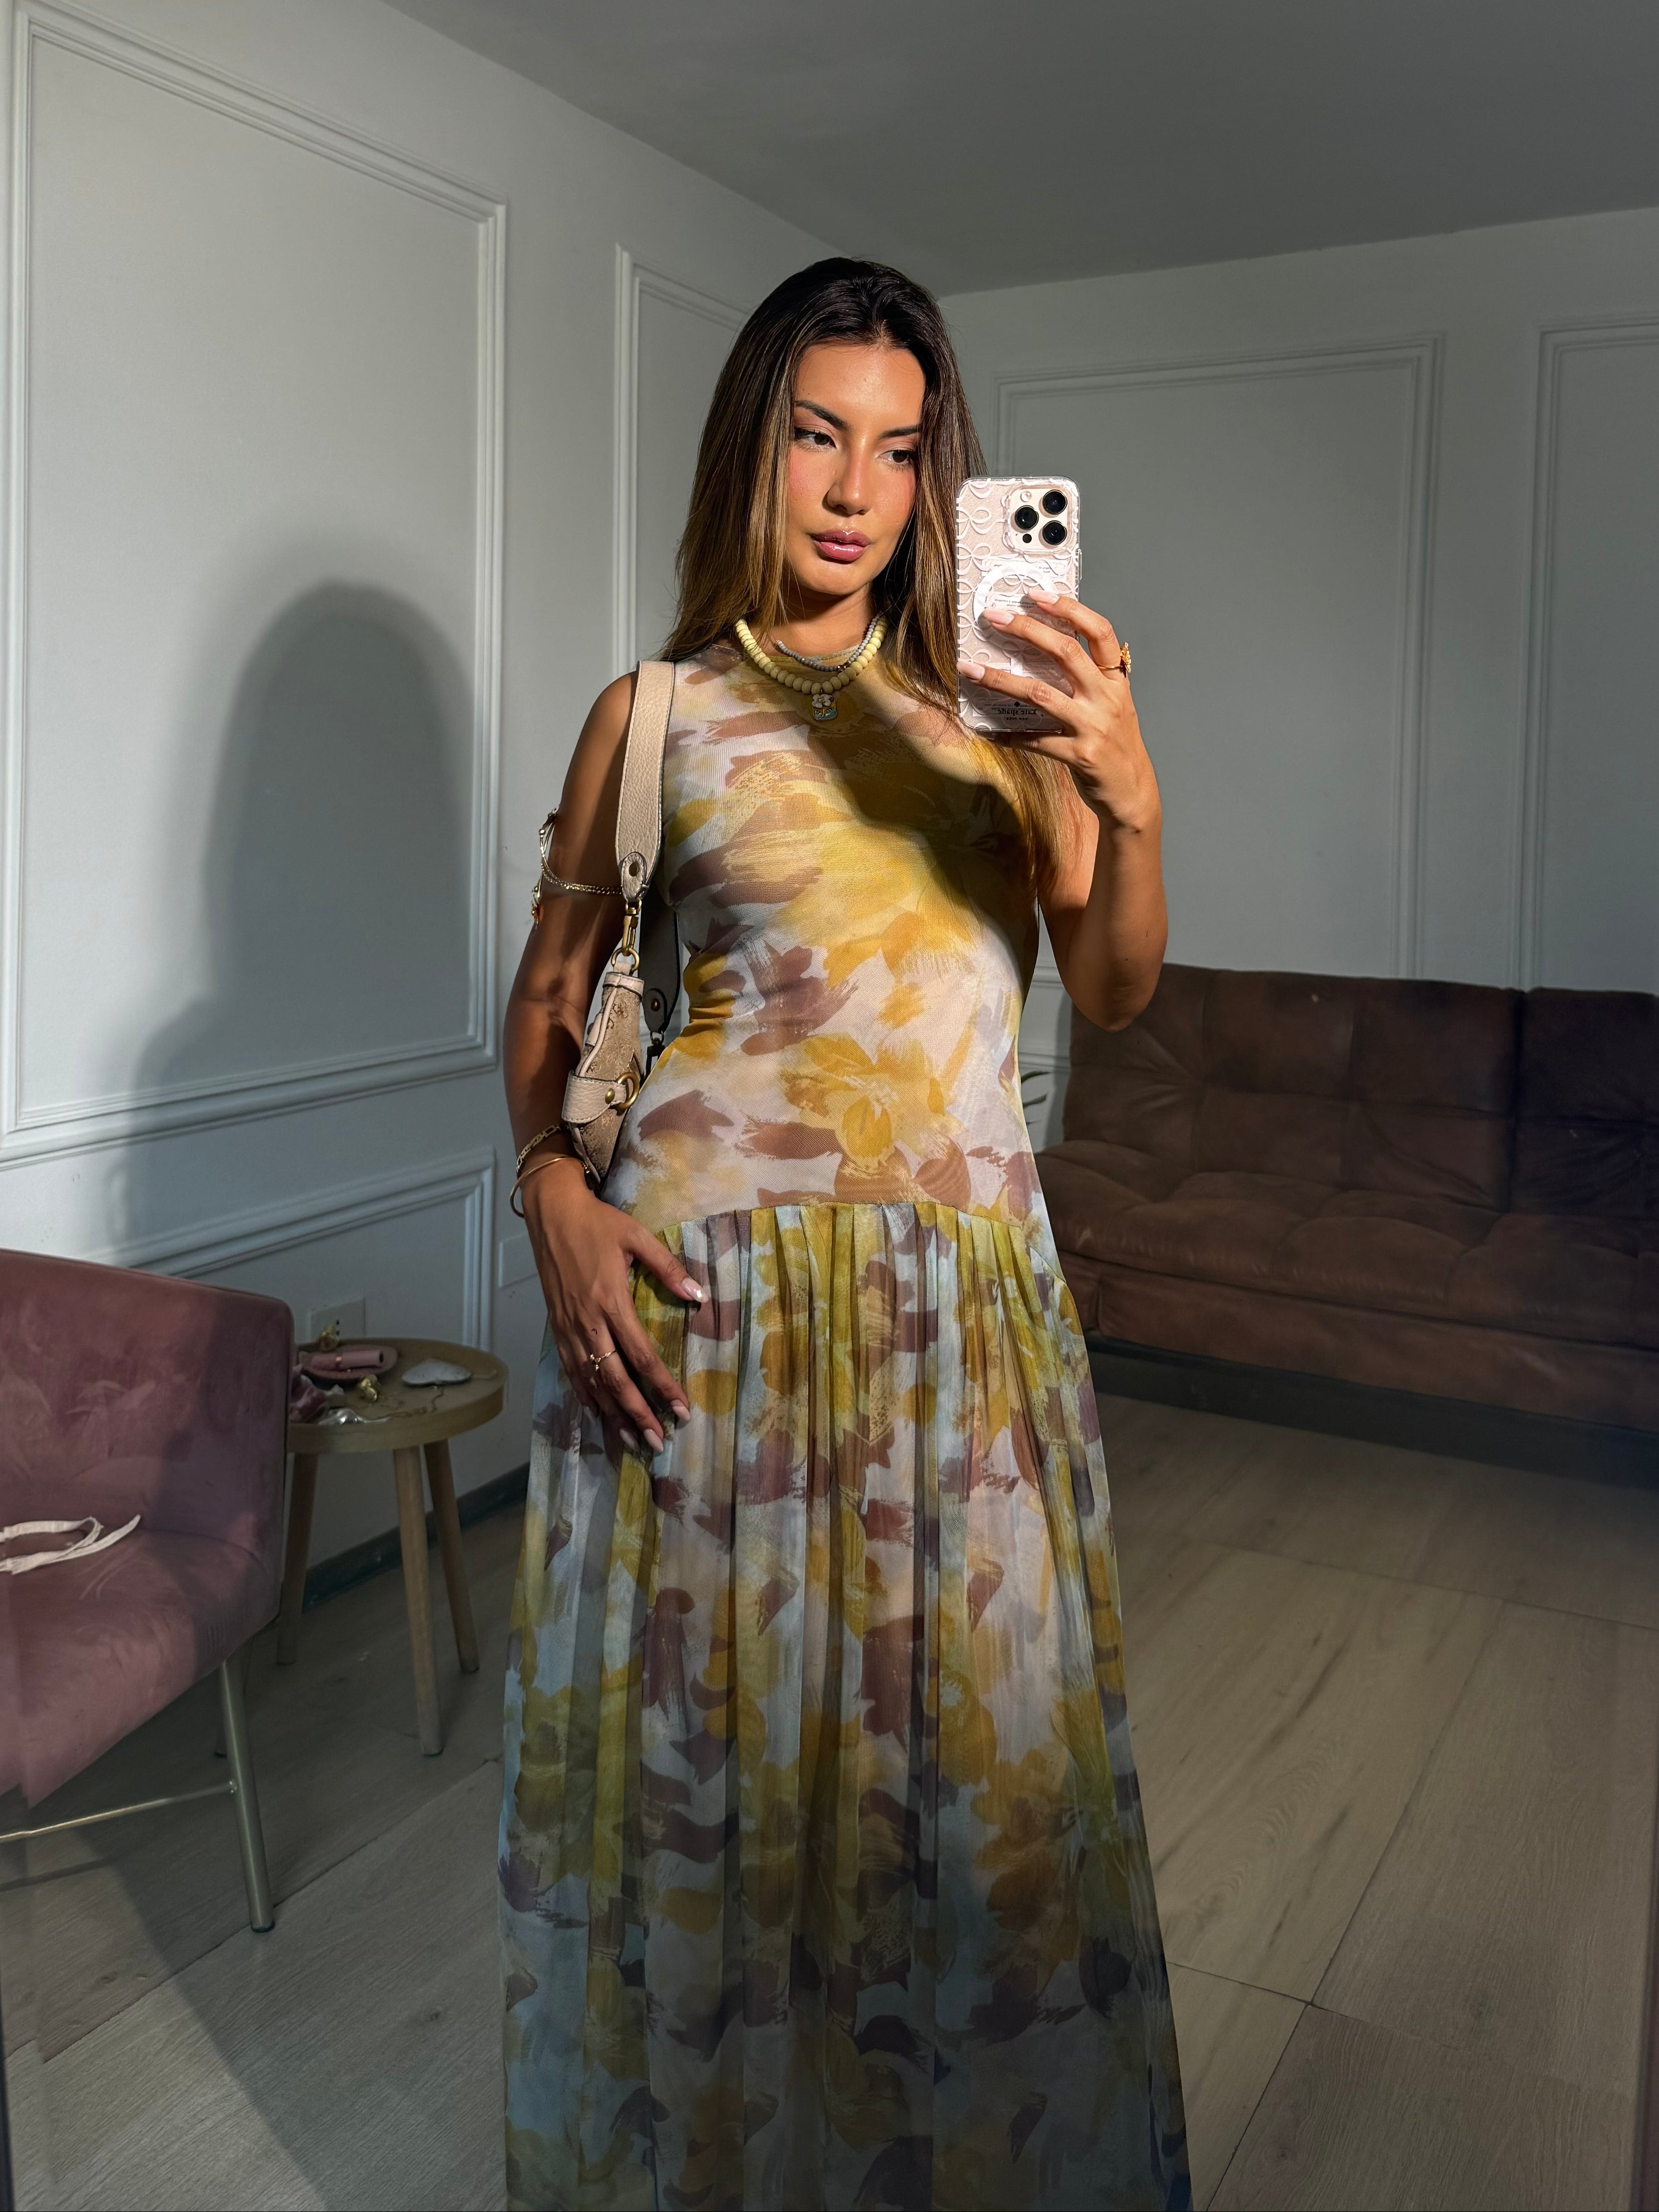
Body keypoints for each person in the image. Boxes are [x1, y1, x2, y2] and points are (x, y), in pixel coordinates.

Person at [498, 257, 1189, 2212]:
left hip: (958, 1335)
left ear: (934, 475)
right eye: (818, 434)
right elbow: (552, 1000)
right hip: (698, 1323)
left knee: (977, 1816)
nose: (853, 488)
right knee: (704, 1810)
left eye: (896, 450)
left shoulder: (1008, 713)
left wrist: (1130, 798)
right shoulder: (654, 715)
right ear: (758, 442)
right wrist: (551, 1192)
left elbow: (1114, 987)